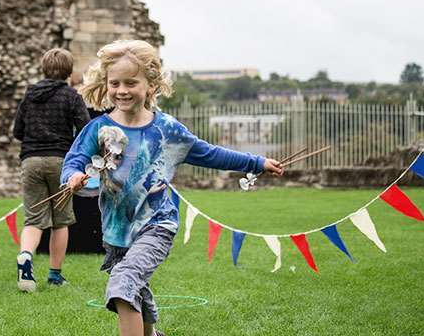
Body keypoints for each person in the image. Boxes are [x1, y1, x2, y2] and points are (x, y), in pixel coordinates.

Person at [60, 40, 283, 336]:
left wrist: (256, 162)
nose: (122, 90)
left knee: (124, 281)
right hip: (116, 229)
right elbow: (74, 160)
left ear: (151, 86)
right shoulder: (98, 128)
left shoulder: (168, 130)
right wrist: (72, 176)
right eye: (115, 83)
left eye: (131, 82)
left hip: (157, 225)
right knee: (134, 289)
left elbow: (209, 153)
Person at [12, 48, 90, 292]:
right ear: (68, 71)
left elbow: (17, 131)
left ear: (44, 69)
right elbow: (86, 129)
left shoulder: (29, 95)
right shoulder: (71, 96)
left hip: (31, 161)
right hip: (60, 162)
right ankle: (55, 275)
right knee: (61, 221)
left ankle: (26, 255)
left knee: (33, 218)